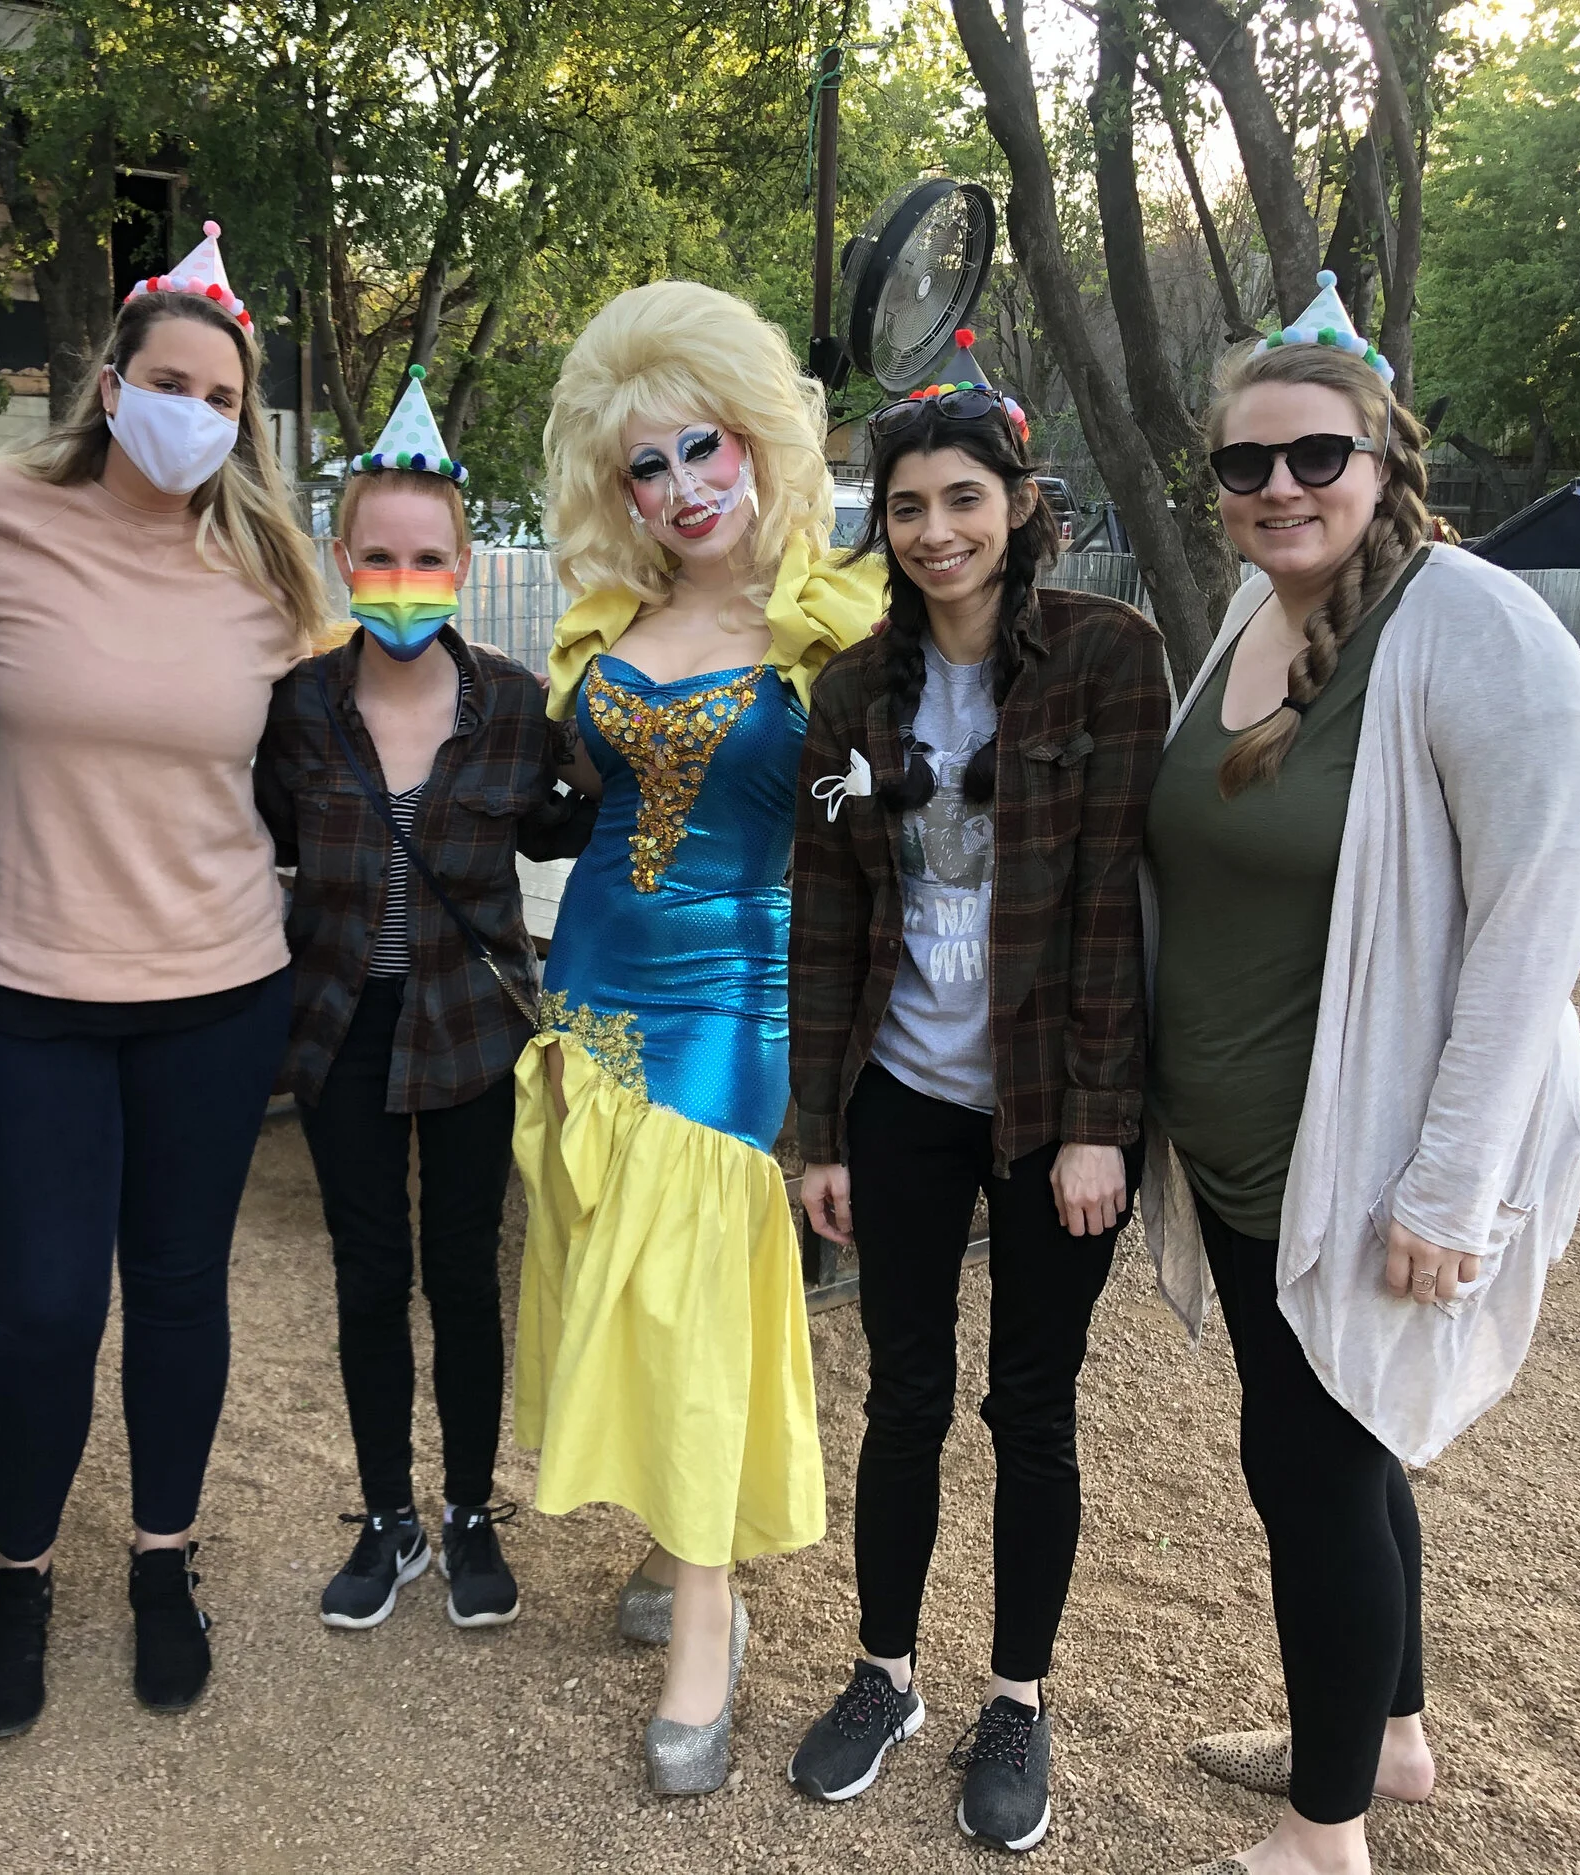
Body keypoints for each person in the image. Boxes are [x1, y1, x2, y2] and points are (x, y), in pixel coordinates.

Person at [1142, 276, 1580, 1875]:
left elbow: (1534, 923)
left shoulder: (1479, 631)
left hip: (1364, 1155)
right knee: (1345, 1440)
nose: (1278, 487)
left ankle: (1321, 1831)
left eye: (1315, 456)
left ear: (1386, 459)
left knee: (1315, 1462)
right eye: (1245, 465)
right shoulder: (1252, 617)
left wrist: (1451, 1185)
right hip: (1245, 1145)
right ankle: (1387, 1734)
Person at [0, 221, 328, 1736]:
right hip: (18, 982)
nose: (195, 414)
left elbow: (329, 763)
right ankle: (20, 1569)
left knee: (176, 1287)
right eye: (172, 383)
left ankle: (165, 1556)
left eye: (223, 398)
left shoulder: (270, 568)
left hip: (218, 989)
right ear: (112, 384)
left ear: (246, 419)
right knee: (41, 1302)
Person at [785, 339, 1167, 1849]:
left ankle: (1017, 1692)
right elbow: (824, 917)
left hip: (1046, 1105)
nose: (935, 528)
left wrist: (1095, 1118)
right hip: (901, 1093)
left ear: (1021, 502)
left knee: (1033, 1405)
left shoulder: (1106, 654)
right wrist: (819, 1129)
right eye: (905, 504)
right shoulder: (849, 694)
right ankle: (886, 1670)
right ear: (879, 523)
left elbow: (1114, 908)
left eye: (964, 496)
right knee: (904, 1395)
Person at [513, 280, 882, 1794]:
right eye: (645, 466)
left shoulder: (840, 620)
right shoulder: (612, 622)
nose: (678, 489)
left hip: (739, 996)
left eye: (702, 450)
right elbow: (568, 798)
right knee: (614, 1270)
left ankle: (708, 1619)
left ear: (761, 440)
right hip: (588, 984)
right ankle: (673, 1536)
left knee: (699, 1297)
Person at [254, 367, 595, 1632]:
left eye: (429, 557)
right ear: (346, 557)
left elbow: (571, 827)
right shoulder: (297, 709)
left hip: (468, 1029)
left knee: (461, 1272)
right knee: (364, 1272)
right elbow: (263, 836)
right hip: (339, 1028)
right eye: (380, 555)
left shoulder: (514, 706)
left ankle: (466, 1511)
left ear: (462, 560)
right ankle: (385, 1512)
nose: (404, 578)